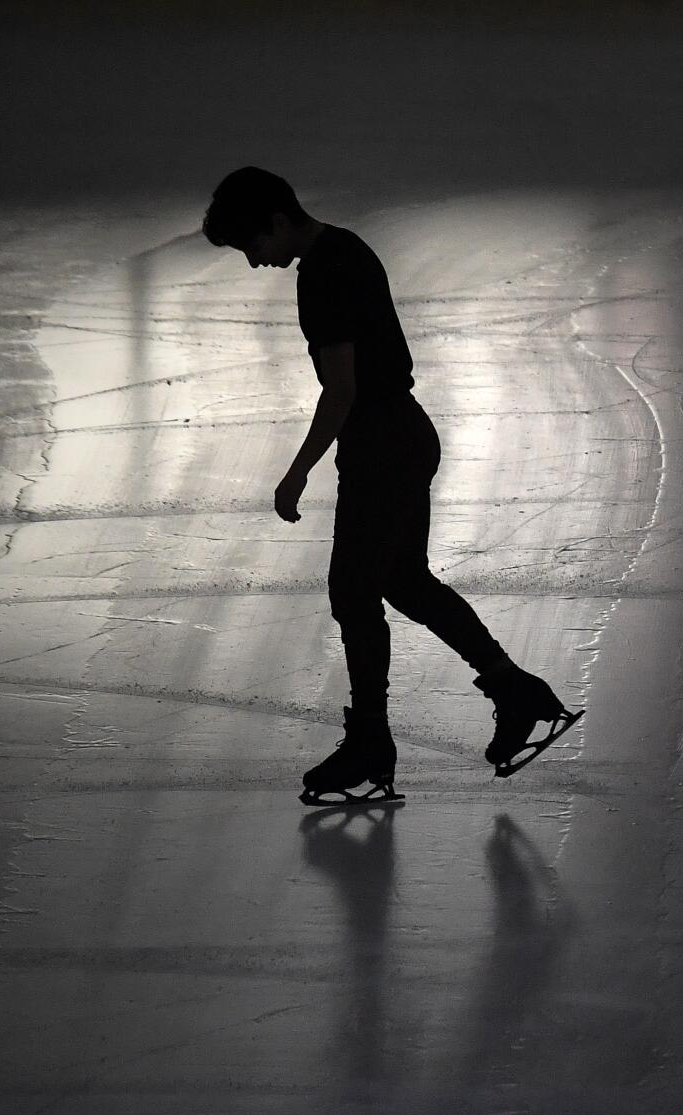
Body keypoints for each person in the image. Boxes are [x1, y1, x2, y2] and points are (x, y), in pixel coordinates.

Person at [201, 167, 581, 805]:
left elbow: (342, 388)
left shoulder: (322, 274)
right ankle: (515, 693)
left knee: (354, 593)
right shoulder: (347, 246)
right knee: (401, 581)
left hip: (381, 445)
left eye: (250, 247)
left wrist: (297, 471)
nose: (252, 263)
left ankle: (372, 743)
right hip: (404, 434)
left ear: (274, 220)